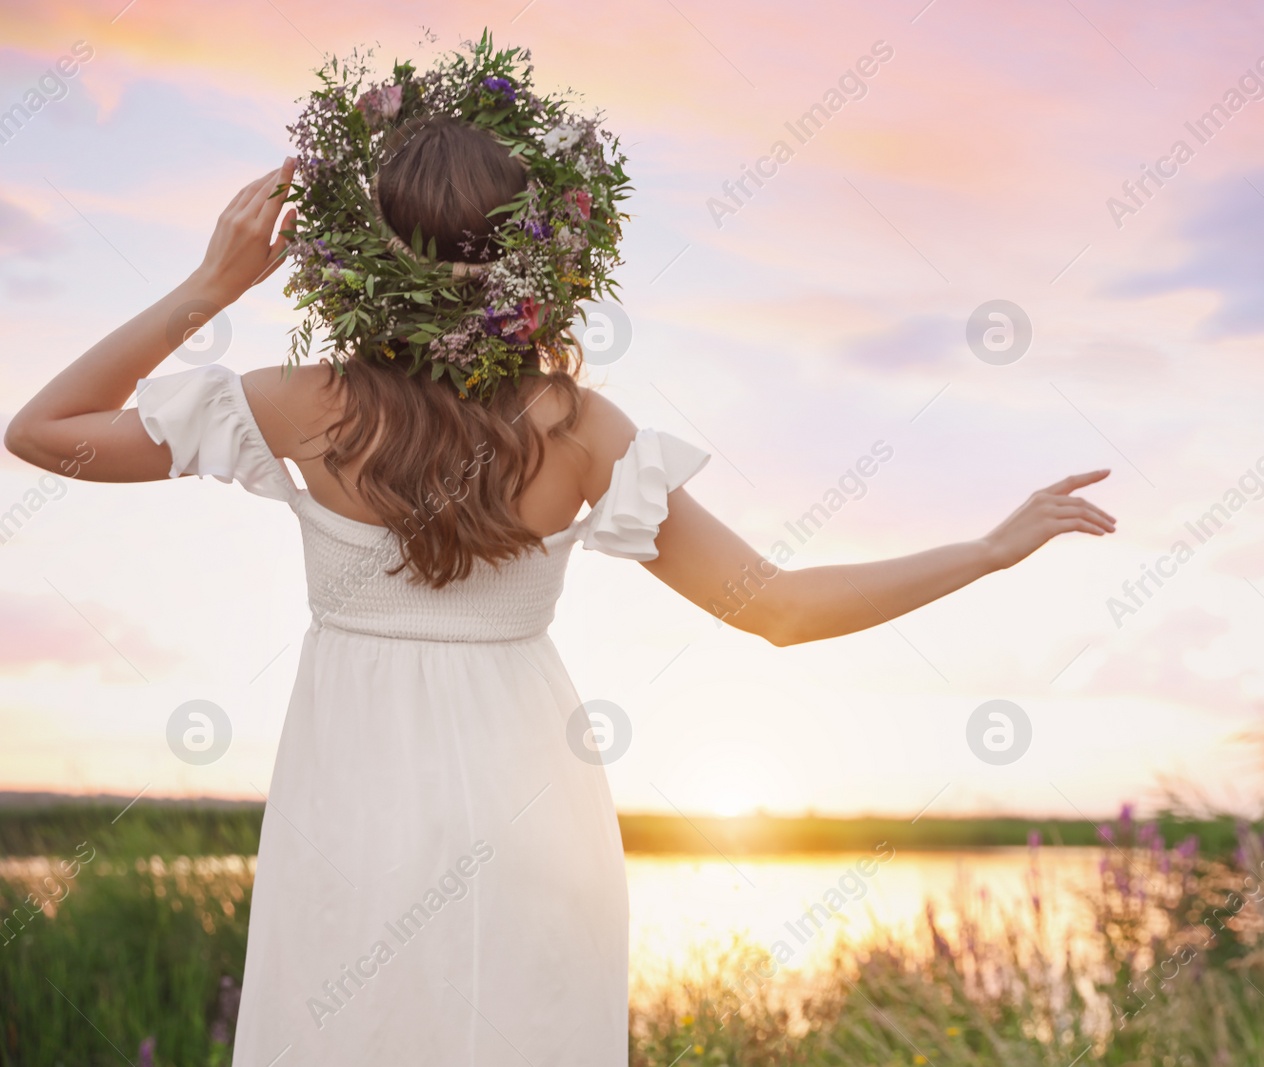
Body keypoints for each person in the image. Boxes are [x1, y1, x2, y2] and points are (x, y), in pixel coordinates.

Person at [4, 131, 1115, 1064]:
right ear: (539, 256)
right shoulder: (582, 431)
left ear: (363, 252)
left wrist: (211, 286)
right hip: (532, 805)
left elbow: (42, 434)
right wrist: (983, 548)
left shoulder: (304, 404)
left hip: (351, 796)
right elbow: (776, 606)